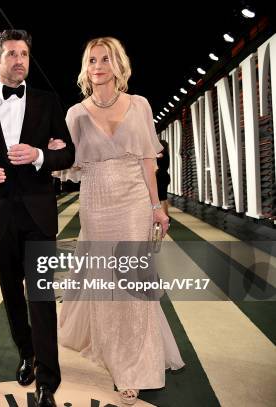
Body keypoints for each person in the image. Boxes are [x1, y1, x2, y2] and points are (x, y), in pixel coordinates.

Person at [57, 37, 184, 405]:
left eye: (106, 59)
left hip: (133, 202)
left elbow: (148, 161)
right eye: (92, 60)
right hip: (96, 203)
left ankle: (134, 367)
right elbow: (72, 165)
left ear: (118, 65)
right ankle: (112, 352)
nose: (98, 65)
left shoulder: (139, 105)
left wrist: (157, 207)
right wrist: (52, 153)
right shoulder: (75, 114)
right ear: (86, 67)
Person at [0, 29, 75, 407]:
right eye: (11, 54)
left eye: (24, 53)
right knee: (12, 295)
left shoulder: (47, 101)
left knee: (40, 296)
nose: (19, 60)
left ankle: (47, 379)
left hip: (38, 213)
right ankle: (26, 353)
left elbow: (67, 154)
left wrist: (40, 155)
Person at [156, 140, 171, 216]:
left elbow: (154, 156)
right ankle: (166, 215)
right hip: (165, 176)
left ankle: (165, 216)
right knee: (164, 198)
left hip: (161, 177)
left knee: (161, 198)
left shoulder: (161, 154)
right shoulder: (166, 154)